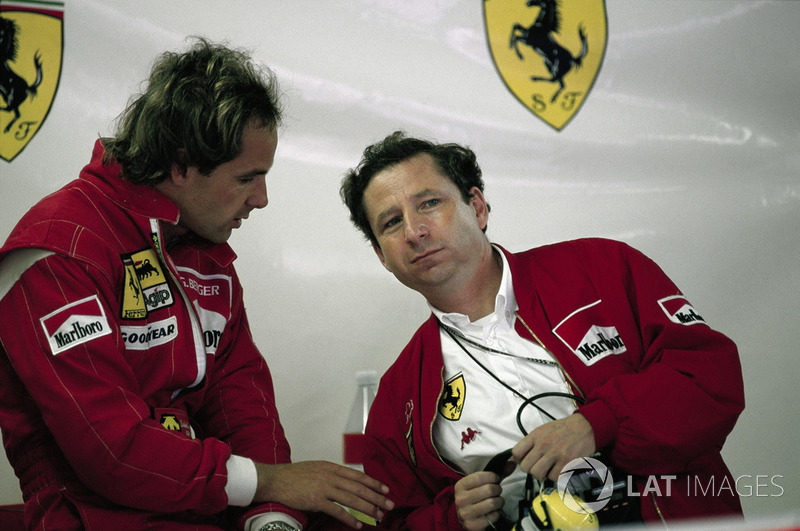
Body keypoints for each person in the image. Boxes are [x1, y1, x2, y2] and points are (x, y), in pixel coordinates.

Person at [0, 38, 394, 531]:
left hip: (205, 508)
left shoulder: (200, 249)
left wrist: (272, 518)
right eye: (248, 178)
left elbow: (243, 404)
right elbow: (111, 452)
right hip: (97, 517)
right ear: (181, 165)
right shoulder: (58, 251)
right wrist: (268, 483)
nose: (262, 199)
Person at [339, 131, 745, 530]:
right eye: (392, 223)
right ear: (382, 256)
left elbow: (712, 378)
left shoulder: (601, 269)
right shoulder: (397, 400)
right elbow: (394, 523)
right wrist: (451, 518)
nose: (414, 231)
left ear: (477, 207)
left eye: (429, 203)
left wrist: (596, 424)